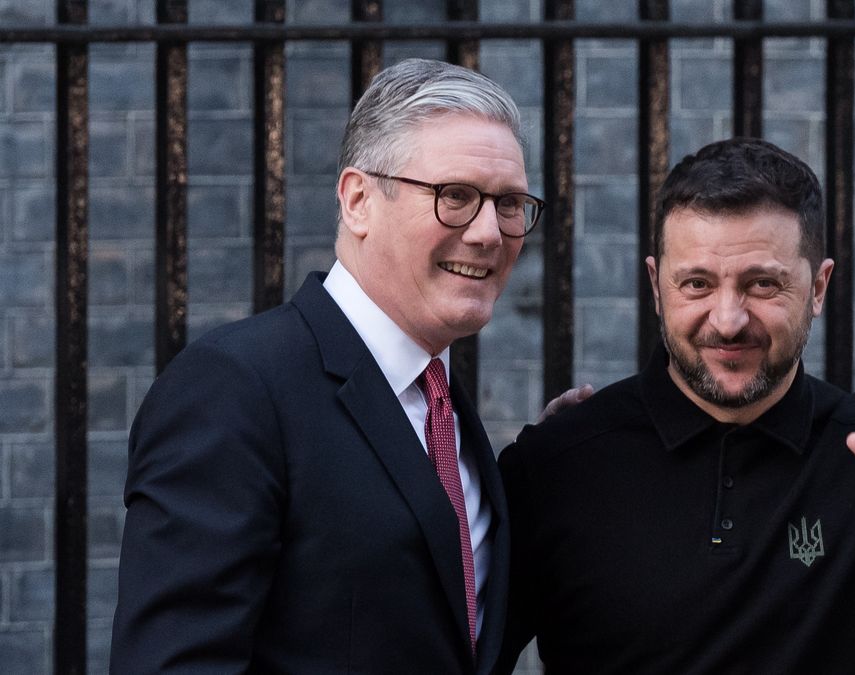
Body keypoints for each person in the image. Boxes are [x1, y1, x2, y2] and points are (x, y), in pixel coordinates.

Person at [498, 138, 855, 673]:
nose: (727, 320)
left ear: (818, 288)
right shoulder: (559, 461)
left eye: (762, 285)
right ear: (656, 284)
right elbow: (462, 651)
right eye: (696, 283)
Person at [111, 58, 544, 673]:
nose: (488, 233)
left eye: (508, 203)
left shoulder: (440, 405)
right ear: (359, 199)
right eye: (455, 197)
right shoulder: (235, 388)